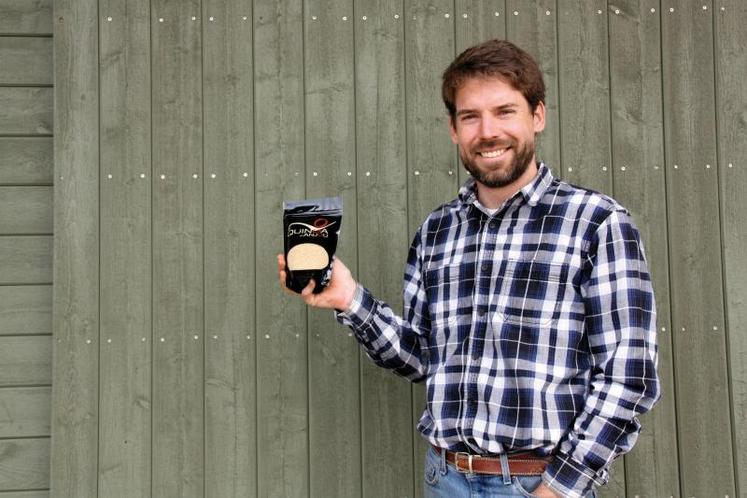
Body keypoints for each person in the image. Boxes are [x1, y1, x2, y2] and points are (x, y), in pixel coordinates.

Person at [277, 39, 659, 498]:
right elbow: (422, 358)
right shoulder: (437, 231)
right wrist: (348, 299)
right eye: (470, 116)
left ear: (538, 116)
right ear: (454, 129)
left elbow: (628, 378)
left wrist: (557, 489)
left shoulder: (596, 223)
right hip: (446, 479)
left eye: (505, 111)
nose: (488, 131)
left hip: (539, 484)